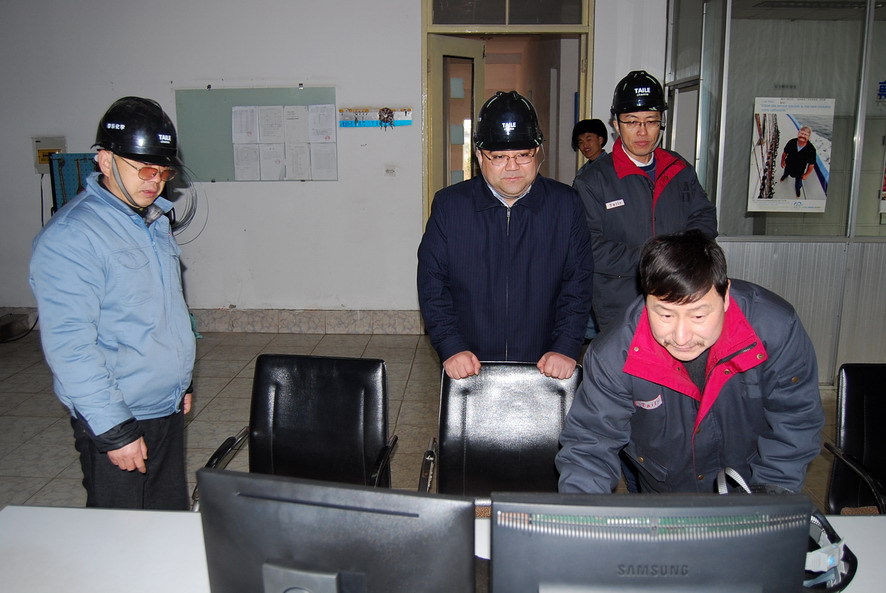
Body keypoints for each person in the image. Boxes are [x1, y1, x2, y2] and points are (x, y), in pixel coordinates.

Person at [556, 229, 824, 494]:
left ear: (725, 297)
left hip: (751, 486)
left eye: (698, 316)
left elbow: (795, 419)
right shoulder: (615, 353)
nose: (681, 337)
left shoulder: (774, 329)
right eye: (665, 315)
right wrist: (581, 511)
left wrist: (767, 500)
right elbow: (591, 443)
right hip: (665, 494)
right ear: (646, 298)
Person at [30, 96, 196, 509]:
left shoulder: (152, 221)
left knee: (166, 521)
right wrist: (115, 430)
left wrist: (181, 380)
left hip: (164, 406)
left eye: (163, 171)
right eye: (144, 169)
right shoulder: (73, 236)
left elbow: (163, 311)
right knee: (120, 532)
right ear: (105, 161)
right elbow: (70, 345)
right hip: (119, 413)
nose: (155, 181)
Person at [417, 91, 594, 381]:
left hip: (545, 361)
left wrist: (565, 346)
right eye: (499, 156)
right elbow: (432, 283)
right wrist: (451, 346)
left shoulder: (565, 205)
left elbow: (578, 282)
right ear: (479, 156)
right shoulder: (450, 206)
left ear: (537, 152)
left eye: (523, 155)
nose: (512, 167)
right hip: (469, 361)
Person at [573, 70, 717, 335]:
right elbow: (587, 246)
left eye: (651, 121)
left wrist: (681, 256)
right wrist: (654, 259)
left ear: (661, 123)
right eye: (632, 122)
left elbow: (704, 218)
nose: (642, 131)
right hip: (621, 303)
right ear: (616, 125)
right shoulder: (593, 180)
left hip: (680, 295)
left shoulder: (678, 168)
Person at [780, 125, 817, 198]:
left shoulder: (811, 149)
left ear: (809, 137)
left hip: (800, 170)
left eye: (805, 134)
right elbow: (785, 153)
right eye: (801, 133)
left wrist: (806, 174)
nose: (803, 136)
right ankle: (784, 176)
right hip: (788, 165)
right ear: (798, 133)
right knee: (786, 172)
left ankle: (797, 189)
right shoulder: (791, 142)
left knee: (798, 183)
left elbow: (811, 165)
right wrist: (782, 161)